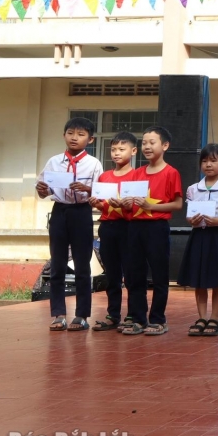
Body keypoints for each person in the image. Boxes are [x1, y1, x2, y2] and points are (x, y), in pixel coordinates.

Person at [36, 117, 103, 331]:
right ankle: (58, 314)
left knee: (82, 265)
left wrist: (88, 190)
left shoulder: (94, 164)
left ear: (90, 139)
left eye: (81, 134)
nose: (74, 138)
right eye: (70, 133)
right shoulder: (54, 161)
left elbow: (102, 192)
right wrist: (42, 190)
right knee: (57, 263)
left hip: (82, 212)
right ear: (64, 135)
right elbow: (42, 190)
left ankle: (81, 315)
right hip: (59, 211)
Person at [122, 126, 183, 336]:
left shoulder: (171, 173)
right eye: (144, 143)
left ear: (165, 145)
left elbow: (178, 204)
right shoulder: (137, 173)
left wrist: (151, 206)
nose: (147, 146)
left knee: (159, 274)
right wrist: (124, 203)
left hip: (157, 228)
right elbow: (128, 204)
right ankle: (138, 318)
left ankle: (158, 319)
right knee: (134, 275)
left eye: (152, 142)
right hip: (135, 227)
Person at [180, 144, 218, 337]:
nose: (208, 165)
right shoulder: (193, 189)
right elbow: (189, 216)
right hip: (199, 236)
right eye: (204, 161)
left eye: (213, 161)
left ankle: (214, 318)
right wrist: (192, 220)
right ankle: (201, 318)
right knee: (199, 280)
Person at [88, 131, 137, 331]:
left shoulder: (137, 176)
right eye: (113, 149)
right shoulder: (105, 176)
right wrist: (95, 203)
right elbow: (102, 205)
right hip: (107, 227)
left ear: (133, 151)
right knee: (112, 274)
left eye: (122, 149)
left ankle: (133, 315)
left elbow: (140, 206)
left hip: (129, 227)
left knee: (132, 273)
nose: (116, 153)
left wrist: (125, 205)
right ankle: (113, 314)